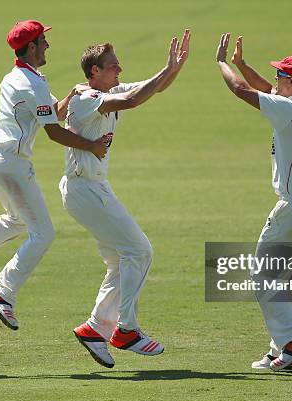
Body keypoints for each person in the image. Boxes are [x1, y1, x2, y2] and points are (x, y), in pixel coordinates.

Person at [0, 20, 109, 331]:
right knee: (43, 233)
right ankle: (3, 293)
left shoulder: (19, 76)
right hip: (12, 165)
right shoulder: (30, 84)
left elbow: (53, 112)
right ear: (31, 47)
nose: (47, 45)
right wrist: (91, 146)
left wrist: (73, 92)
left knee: (18, 220)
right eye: (43, 41)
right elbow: (54, 132)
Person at [61, 30, 191, 368]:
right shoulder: (85, 98)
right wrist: (165, 72)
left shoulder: (106, 90)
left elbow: (149, 88)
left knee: (122, 261)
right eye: (113, 67)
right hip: (84, 188)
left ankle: (96, 328)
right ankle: (127, 330)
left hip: (92, 188)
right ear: (94, 72)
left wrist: (172, 68)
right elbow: (133, 101)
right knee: (139, 250)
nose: (119, 71)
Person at [216, 33, 292, 371]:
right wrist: (243, 65)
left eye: (281, 75)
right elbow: (268, 91)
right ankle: (282, 349)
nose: (276, 79)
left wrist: (221, 62)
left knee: (262, 276)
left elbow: (243, 92)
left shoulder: (289, 109)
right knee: (287, 279)